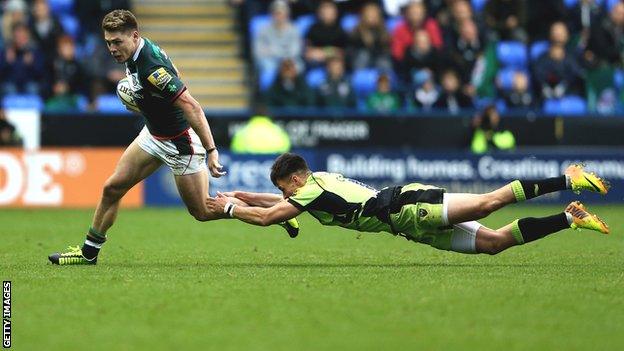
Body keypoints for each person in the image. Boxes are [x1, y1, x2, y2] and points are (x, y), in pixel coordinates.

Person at [48, 10, 298, 265]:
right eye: (108, 42)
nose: (112, 48)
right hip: (153, 134)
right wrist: (147, 102)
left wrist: (211, 150)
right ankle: (88, 253)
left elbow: (192, 106)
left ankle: (278, 211)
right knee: (113, 187)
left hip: (180, 143)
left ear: (134, 36)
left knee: (203, 210)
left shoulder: (150, 67)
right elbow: (174, 74)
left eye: (117, 42)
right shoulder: (137, 50)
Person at [206, 153, 610, 256]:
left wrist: (225, 208)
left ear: (296, 180)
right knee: (493, 244)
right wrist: (240, 195)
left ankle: (567, 178)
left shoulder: (310, 189)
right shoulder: (313, 187)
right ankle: (569, 217)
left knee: (488, 203)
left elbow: (269, 218)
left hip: (407, 206)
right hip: (408, 226)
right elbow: (275, 205)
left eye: (285, 189)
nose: (285, 197)